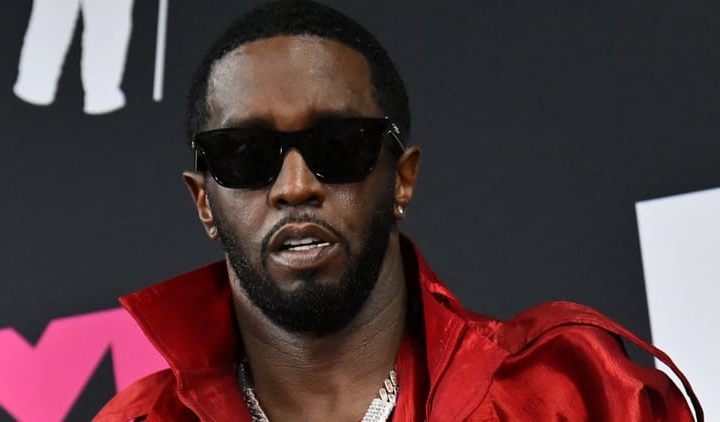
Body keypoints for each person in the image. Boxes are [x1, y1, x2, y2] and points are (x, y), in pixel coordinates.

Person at [95, 1, 702, 420]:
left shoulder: (575, 393)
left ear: (402, 180)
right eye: (247, 155)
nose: (296, 186)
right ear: (204, 202)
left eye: (339, 146)